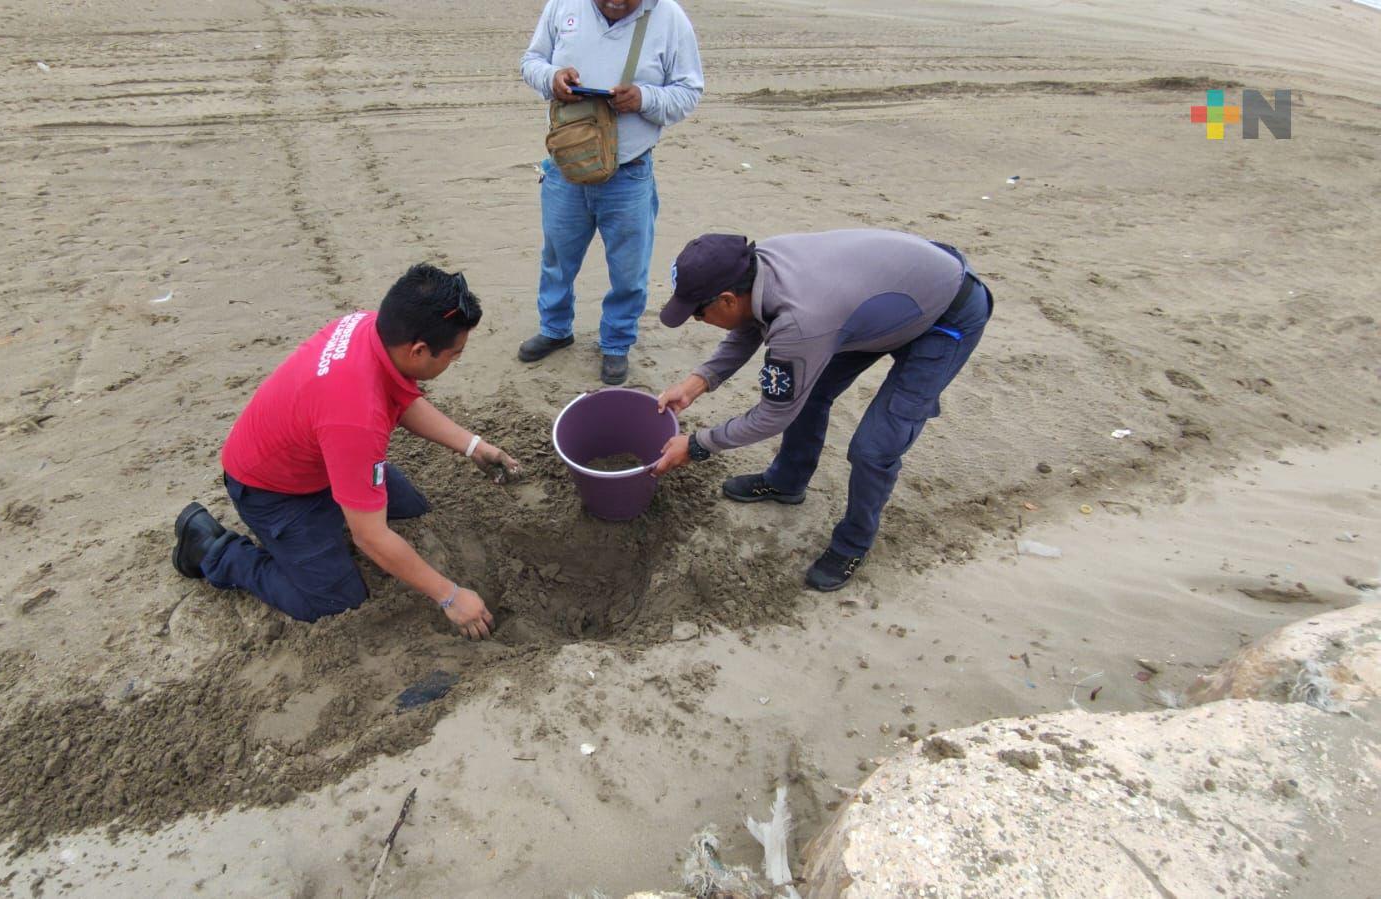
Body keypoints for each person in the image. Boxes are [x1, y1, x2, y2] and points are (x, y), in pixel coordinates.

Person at [170, 264, 521, 640]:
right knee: (336, 601)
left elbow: (400, 398)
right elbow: (369, 538)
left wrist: (473, 447)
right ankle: (212, 550)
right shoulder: (356, 416)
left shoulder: (371, 327)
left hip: (319, 457)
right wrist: (449, 596)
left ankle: (329, 518)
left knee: (412, 508)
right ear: (419, 350)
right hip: (270, 490)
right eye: (454, 355)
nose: (454, 361)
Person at [648, 230, 994, 591]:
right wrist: (698, 381)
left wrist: (698, 444)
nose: (697, 321)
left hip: (945, 317)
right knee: (810, 393)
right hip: (876, 304)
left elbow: (773, 415)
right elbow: (749, 323)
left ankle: (853, 543)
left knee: (874, 449)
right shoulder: (754, 267)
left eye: (698, 314)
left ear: (727, 299)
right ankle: (787, 482)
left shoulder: (802, 321)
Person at [517, 0, 704, 385]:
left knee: (629, 272)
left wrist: (645, 99)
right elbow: (531, 62)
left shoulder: (670, 18)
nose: (614, 2)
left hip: (630, 171)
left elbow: (689, 91)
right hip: (566, 166)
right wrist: (552, 78)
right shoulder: (561, 6)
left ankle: (616, 344)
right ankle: (555, 329)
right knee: (557, 258)